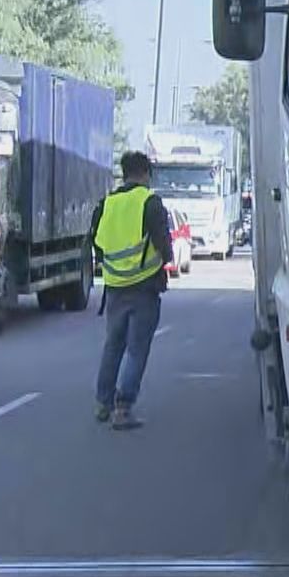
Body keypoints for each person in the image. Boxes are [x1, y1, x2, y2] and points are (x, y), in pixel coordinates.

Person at [90, 151, 175, 430]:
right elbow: (164, 244)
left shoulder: (107, 203)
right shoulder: (149, 202)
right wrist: (165, 260)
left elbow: (96, 242)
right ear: (145, 173)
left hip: (114, 287)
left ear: (125, 174)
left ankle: (103, 402)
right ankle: (123, 408)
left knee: (113, 345)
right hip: (144, 287)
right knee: (137, 350)